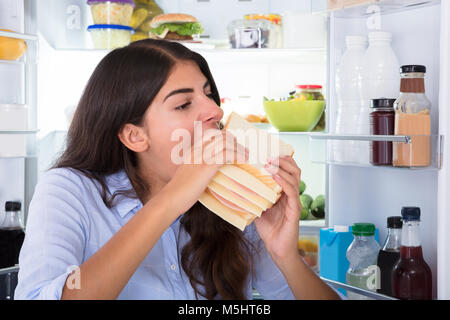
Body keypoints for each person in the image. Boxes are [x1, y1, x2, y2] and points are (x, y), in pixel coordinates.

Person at [14, 39, 340, 300]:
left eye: (209, 94)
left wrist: (285, 256)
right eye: (183, 104)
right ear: (134, 135)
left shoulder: (234, 198)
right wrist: (173, 198)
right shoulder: (68, 190)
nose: (214, 110)